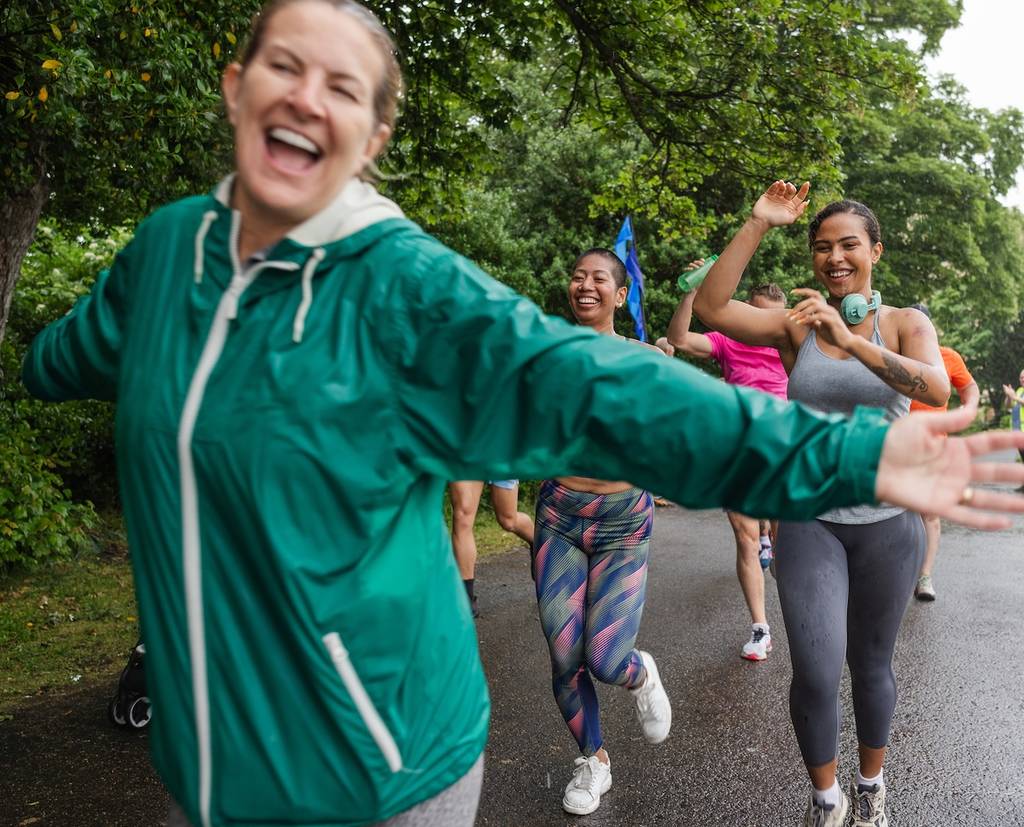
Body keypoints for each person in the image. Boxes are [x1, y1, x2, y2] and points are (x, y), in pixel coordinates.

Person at [20, 4, 1024, 823]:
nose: (304, 98)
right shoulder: (167, 251)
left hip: (378, 770)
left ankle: (849, 779)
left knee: (643, 650)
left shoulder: (403, 286)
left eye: (343, 87)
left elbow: (611, 388)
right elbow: (86, 345)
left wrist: (850, 457)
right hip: (203, 771)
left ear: (372, 137)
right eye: (283, 65)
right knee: (565, 650)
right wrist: (39, 362)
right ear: (237, 87)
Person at [692, 181, 1009, 827]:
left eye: (848, 246)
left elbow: (936, 387)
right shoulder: (798, 324)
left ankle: (870, 785)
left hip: (888, 525)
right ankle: (826, 799)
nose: (834, 258)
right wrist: (758, 221)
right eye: (821, 247)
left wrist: (855, 338)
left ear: (875, 252)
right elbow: (713, 305)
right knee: (813, 667)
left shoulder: (904, 323)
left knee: (871, 665)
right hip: (810, 518)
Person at [533, 248, 671, 816]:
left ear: (621, 296)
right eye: (577, 276)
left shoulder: (643, 361)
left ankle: (640, 675)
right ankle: (593, 760)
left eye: (599, 279)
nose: (584, 285)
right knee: (564, 653)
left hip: (622, 522)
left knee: (606, 657)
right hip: (559, 515)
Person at [657, 277, 788, 661]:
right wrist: (693, 290)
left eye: (774, 320)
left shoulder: (788, 344)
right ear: (745, 312)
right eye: (759, 317)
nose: (766, 327)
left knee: (785, 548)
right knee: (745, 537)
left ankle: (786, 576)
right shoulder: (728, 340)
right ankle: (760, 629)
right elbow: (679, 338)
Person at [907, 304, 980, 602]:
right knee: (898, 512)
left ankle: (924, 576)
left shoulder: (948, 357)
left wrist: (970, 407)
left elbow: (969, 386)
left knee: (929, 513)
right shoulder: (894, 356)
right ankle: (897, 573)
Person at [448, 479, 534, 617]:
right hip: (467, 457)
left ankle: (537, 542)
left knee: (508, 520)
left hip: (500, 457)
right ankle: (465, 598)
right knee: (462, 516)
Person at [1004, 368, 1024, 479]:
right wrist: (1008, 396)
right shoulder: (1020, 391)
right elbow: (1008, 406)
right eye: (1021, 377)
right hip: (1018, 432)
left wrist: (1014, 397)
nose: (1022, 379)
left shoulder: (1017, 394)